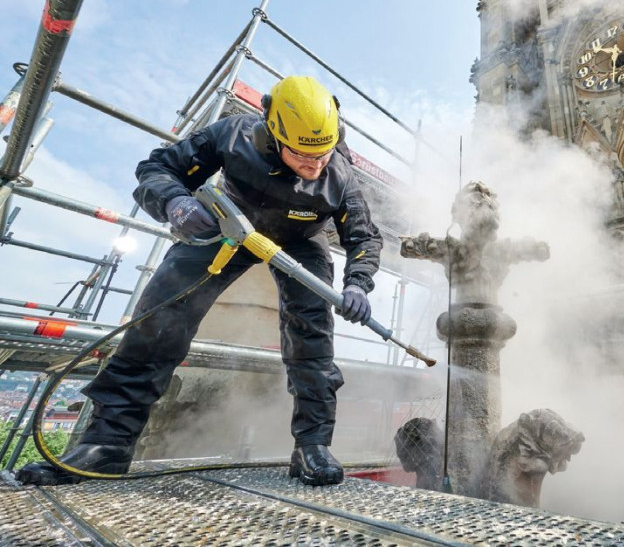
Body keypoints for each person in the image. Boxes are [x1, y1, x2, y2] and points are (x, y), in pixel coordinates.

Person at [17, 76, 383, 487]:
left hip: (301, 242)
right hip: (230, 225)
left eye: (322, 154)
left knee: (312, 338)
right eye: (301, 154)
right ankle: (107, 444)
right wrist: (174, 202)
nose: (314, 165)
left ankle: (312, 446)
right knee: (160, 319)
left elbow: (364, 237)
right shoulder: (232, 134)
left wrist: (357, 283)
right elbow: (158, 167)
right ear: (272, 131)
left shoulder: (341, 174)